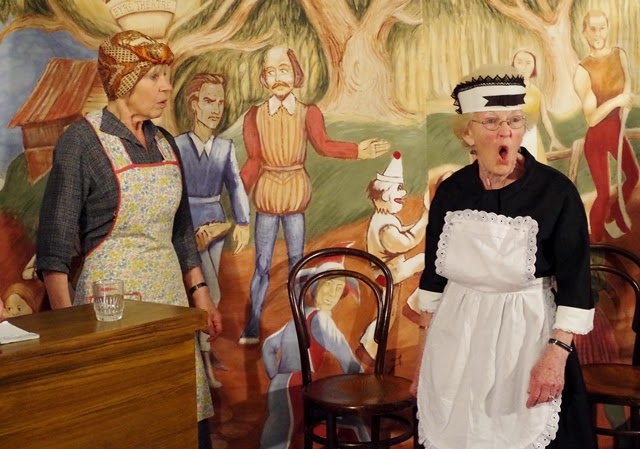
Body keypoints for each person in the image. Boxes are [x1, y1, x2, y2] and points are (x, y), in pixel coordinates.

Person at [35, 30, 221, 449]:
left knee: (178, 417)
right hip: (108, 313)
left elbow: (181, 229)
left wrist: (201, 296)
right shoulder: (82, 141)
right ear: (123, 81)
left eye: (167, 75)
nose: (166, 86)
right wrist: (69, 331)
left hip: (169, 303)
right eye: (154, 76)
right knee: (123, 419)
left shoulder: (164, 142)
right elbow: (54, 246)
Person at [411, 66, 596, 449]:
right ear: (468, 134)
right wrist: (422, 361)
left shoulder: (556, 193)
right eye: (491, 122)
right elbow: (433, 281)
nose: (505, 132)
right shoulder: (451, 192)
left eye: (514, 121)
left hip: (528, 340)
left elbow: (576, 286)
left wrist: (555, 358)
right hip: (456, 343)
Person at [239, 45, 390, 344]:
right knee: (262, 265)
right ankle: (253, 324)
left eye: (283, 70)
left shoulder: (308, 112)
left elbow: (323, 145)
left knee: (297, 262)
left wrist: (358, 151)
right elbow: (253, 160)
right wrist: (238, 197)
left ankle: (300, 323)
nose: (277, 78)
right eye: (271, 72)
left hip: (295, 193)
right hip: (267, 195)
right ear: (263, 78)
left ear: (296, 74)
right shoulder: (254, 115)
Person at [176, 72, 251, 388]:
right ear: (194, 104)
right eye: (208, 101)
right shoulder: (177, 145)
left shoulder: (225, 147)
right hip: (186, 224)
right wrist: (185, 232)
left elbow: (235, 185)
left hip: (216, 225)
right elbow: (174, 193)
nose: (215, 109)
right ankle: (203, 360)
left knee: (211, 290)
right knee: (204, 291)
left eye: (220, 102)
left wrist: (242, 221)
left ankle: (205, 352)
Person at [260, 247, 366, 448]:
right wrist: (365, 384)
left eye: (338, 288)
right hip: (297, 383)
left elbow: (268, 347)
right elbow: (346, 358)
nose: (332, 293)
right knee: (280, 436)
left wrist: (276, 378)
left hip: (288, 385)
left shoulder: (299, 317)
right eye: (328, 284)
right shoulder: (321, 319)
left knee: (285, 432)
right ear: (315, 286)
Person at [573, 9, 639, 242]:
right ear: (584, 32)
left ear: (608, 28)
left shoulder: (619, 54)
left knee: (633, 174)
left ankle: (614, 215)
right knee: (602, 193)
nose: (598, 33)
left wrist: (627, 99)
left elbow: (627, 82)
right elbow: (591, 119)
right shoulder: (583, 71)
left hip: (616, 130)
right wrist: (616, 101)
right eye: (593, 29)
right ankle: (596, 239)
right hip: (597, 138)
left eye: (602, 28)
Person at [357, 151, 428, 362]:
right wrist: (425, 217)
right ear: (384, 194)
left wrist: (420, 222)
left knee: (387, 313)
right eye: (398, 188)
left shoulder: (384, 218)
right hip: (388, 273)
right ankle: (414, 306)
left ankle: (368, 349)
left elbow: (404, 232)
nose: (403, 193)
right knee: (426, 260)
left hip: (389, 271)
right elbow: (406, 241)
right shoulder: (385, 227)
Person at [511, 49, 567, 163]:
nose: (524, 67)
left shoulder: (537, 92)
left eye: (528, 63)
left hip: (533, 137)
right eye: (520, 62)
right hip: (512, 136)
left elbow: (545, 118)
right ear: (513, 65)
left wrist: (553, 139)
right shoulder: (508, 90)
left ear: (534, 67)